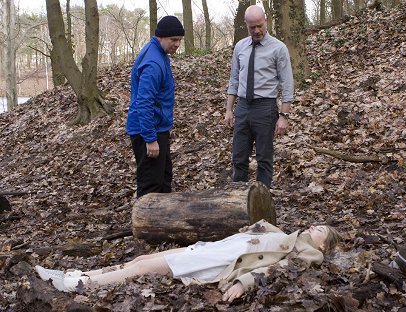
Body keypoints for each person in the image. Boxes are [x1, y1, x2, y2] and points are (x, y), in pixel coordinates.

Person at [36, 219, 341, 302]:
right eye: (318, 225)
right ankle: (79, 273)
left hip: (223, 261)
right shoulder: (290, 234)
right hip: (217, 247)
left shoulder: (307, 254)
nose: (316, 227)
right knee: (144, 257)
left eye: (322, 231)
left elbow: (275, 268)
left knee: (144, 268)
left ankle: (78, 285)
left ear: (324, 246)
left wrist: (244, 283)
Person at [224, 5, 294, 189]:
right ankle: (238, 203)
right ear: (246, 25)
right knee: (238, 158)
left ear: (266, 20)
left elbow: (287, 84)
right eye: (252, 27)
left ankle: (263, 204)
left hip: (265, 108)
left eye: (259, 26)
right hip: (243, 107)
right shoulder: (240, 47)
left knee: (264, 159)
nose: (256, 31)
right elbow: (234, 79)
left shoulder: (279, 49)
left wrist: (283, 116)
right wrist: (229, 110)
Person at [126, 16, 184, 197]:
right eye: (173, 40)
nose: (177, 44)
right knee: (151, 186)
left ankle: (163, 222)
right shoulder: (153, 63)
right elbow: (144, 102)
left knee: (164, 180)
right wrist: (150, 139)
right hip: (148, 130)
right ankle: (144, 223)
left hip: (157, 127)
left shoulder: (159, 54)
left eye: (180, 39)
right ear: (160, 37)